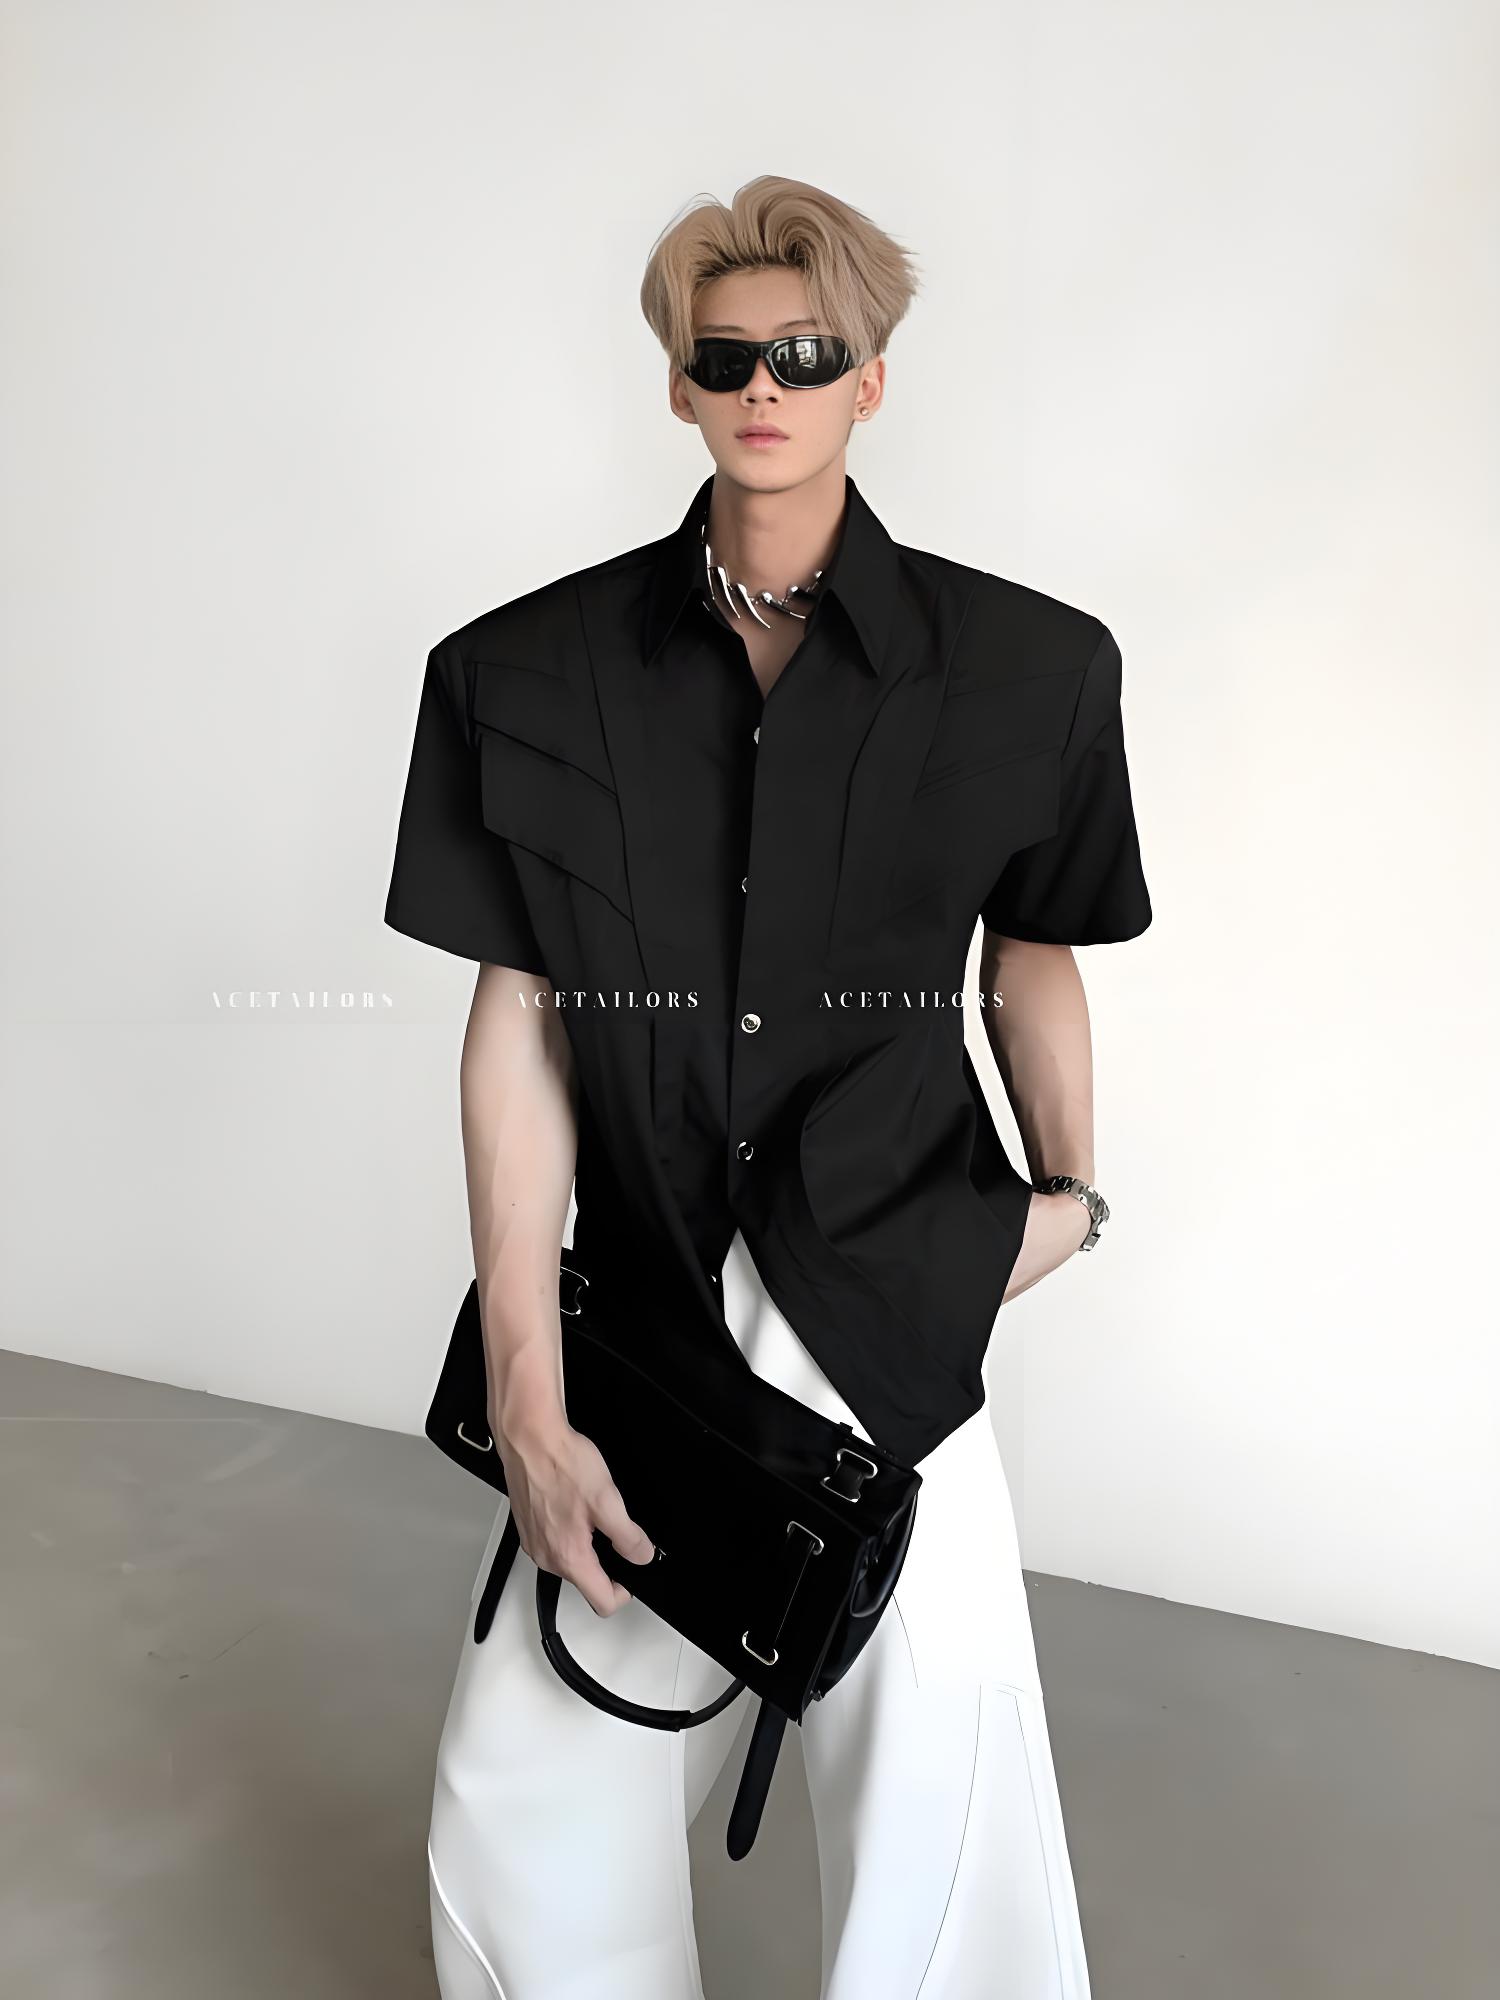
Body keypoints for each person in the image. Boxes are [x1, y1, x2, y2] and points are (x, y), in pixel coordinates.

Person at [384, 173, 1152, 2000]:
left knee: (942, 1789)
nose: (764, 385)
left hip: (893, 1273)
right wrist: (527, 1385)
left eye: (807, 355)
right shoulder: (518, 673)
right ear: (678, 383)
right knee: (526, 1785)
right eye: (725, 356)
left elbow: (1033, 957)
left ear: (870, 381)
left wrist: (1070, 1204)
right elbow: (519, 1026)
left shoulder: (1033, 670)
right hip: (648, 1297)